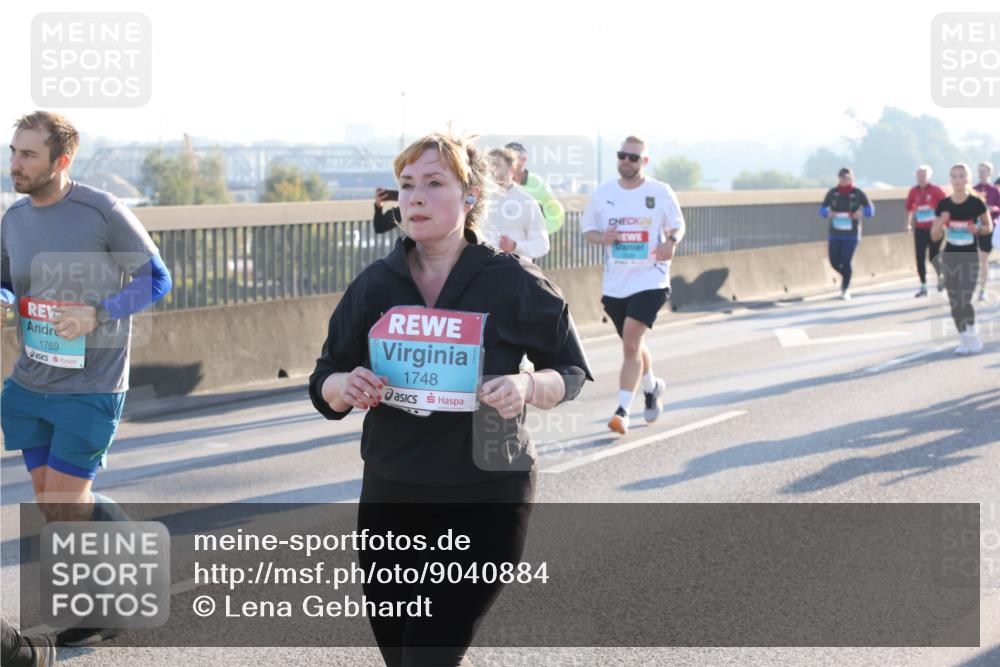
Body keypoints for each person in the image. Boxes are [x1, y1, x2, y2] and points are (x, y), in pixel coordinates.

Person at [309, 132, 592, 666]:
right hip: (393, 494)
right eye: (407, 184)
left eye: (434, 183)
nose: (415, 196)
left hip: (485, 495)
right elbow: (324, 376)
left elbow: (571, 371)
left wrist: (526, 386)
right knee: (401, 657)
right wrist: (343, 387)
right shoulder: (375, 285)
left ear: (469, 198)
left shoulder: (511, 281)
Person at [1, 111, 172, 646]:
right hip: (30, 383)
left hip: (92, 383)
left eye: (28, 155)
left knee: (67, 500)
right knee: (54, 505)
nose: (15, 165)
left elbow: (157, 279)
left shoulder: (102, 211)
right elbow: (5, 280)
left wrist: (98, 312)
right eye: (13, 151)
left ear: (62, 160)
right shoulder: (13, 218)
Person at [581, 136, 685, 436]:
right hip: (615, 283)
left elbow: (677, 224)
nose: (626, 161)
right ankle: (652, 387)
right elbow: (589, 231)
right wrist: (605, 238)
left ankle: (621, 411)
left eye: (633, 157)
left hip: (651, 278)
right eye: (622, 156)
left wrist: (671, 241)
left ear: (645, 162)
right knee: (634, 344)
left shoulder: (660, 192)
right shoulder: (604, 193)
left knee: (630, 342)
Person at [931, 163, 993, 354]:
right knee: (954, 302)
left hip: (969, 256)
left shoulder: (976, 204)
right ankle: (964, 338)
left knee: (964, 299)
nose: (957, 180)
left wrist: (978, 229)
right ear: (950, 180)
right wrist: (941, 221)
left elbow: (988, 226)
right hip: (950, 256)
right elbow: (934, 236)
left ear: (967, 179)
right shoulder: (943, 205)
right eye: (954, 176)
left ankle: (973, 334)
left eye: (961, 176)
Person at [483, 147, 549, 260]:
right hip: (484, 273)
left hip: (517, 272)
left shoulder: (527, 202)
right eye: (489, 165)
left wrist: (515, 246)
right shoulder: (480, 200)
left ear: (512, 169)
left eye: (497, 165)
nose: (492, 170)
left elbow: (542, 245)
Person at [819, 167, 874, 300]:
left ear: (851, 178)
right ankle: (847, 276)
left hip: (851, 234)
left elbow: (870, 211)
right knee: (834, 262)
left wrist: (861, 213)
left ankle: (845, 289)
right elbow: (821, 210)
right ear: (838, 179)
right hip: (835, 233)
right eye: (841, 178)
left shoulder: (858, 193)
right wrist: (828, 213)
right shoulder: (832, 193)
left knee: (846, 260)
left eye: (846, 178)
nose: (844, 180)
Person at [504, 141, 566, 234]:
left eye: (512, 158)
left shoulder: (538, 184)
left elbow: (556, 214)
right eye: (505, 159)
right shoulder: (497, 183)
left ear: (524, 159)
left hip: (531, 244)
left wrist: (539, 231)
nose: (508, 162)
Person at [904, 165, 947, 297]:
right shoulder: (913, 191)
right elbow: (909, 208)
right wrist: (908, 224)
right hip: (920, 229)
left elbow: (946, 207)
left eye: (924, 175)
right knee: (919, 257)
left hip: (935, 229)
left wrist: (941, 223)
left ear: (929, 177)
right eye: (919, 176)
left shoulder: (936, 190)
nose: (921, 178)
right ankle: (923, 286)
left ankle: (942, 276)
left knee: (933, 256)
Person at [972, 162, 1000, 302]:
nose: (981, 174)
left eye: (984, 171)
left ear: (990, 173)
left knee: (983, 259)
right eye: (979, 171)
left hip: (989, 229)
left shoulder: (995, 190)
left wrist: (993, 209)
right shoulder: (972, 190)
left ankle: (982, 290)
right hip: (972, 230)